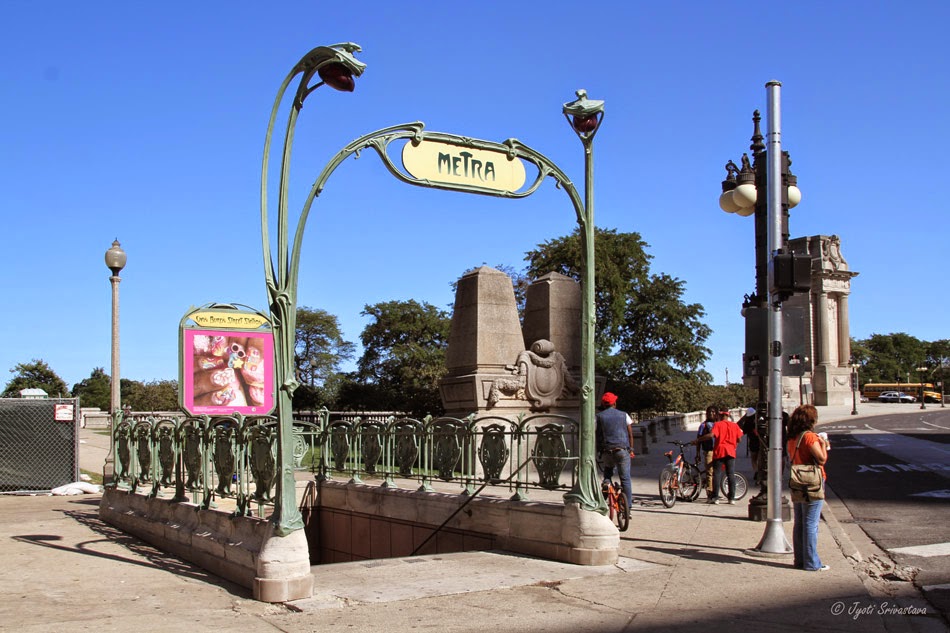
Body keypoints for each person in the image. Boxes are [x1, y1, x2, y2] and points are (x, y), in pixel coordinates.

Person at [787, 404, 830, 572]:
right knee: (811, 523)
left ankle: (800, 559)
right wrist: (824, 444)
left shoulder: (792, 437)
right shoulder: (809, 437)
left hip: (797, 480)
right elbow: (821, 459)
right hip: (812, 482)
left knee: (799, 522)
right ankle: (812, 562)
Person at [693, 409, 743, 504]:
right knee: (730, 474)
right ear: (728, 415)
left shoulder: (718, 425)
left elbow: (711, 435)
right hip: (731, 452)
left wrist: (699, 440)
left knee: (717, 474)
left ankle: (715, 497)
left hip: (719, 451)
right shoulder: (735, 425)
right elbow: (739, 439)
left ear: (719, 415)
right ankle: (731, 498)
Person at [595, 392, 635, 510]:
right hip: (622, 450)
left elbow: (598, 435)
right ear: (615, 403)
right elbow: (630, 434)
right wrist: (631, 449)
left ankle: (606, 485)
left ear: (603, 404)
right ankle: (628, 507)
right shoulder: (624, 415)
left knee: (608, 471)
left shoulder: (599, 416)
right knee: (625, 478)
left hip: (607, 450)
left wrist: (598, 451)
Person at [697, 406, 718, 498]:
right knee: (709, 471)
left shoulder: (719, 424)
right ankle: (710, 492)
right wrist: (697, 454)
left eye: (713, 412)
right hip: (708, 450)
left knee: (717, 472)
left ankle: (715, 490)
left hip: (718, 450)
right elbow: (698, 440)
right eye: (709, 412)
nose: (711, 414)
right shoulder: (703, 425)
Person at [737, 407, 760, 483]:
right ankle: (760, 472)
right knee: (760, 459)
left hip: (753, 442)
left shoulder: (748, 423)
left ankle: (756, 470)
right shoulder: (760, 420)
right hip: (761, 442)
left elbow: (739, 425)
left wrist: (744, 417)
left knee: (754, 459)